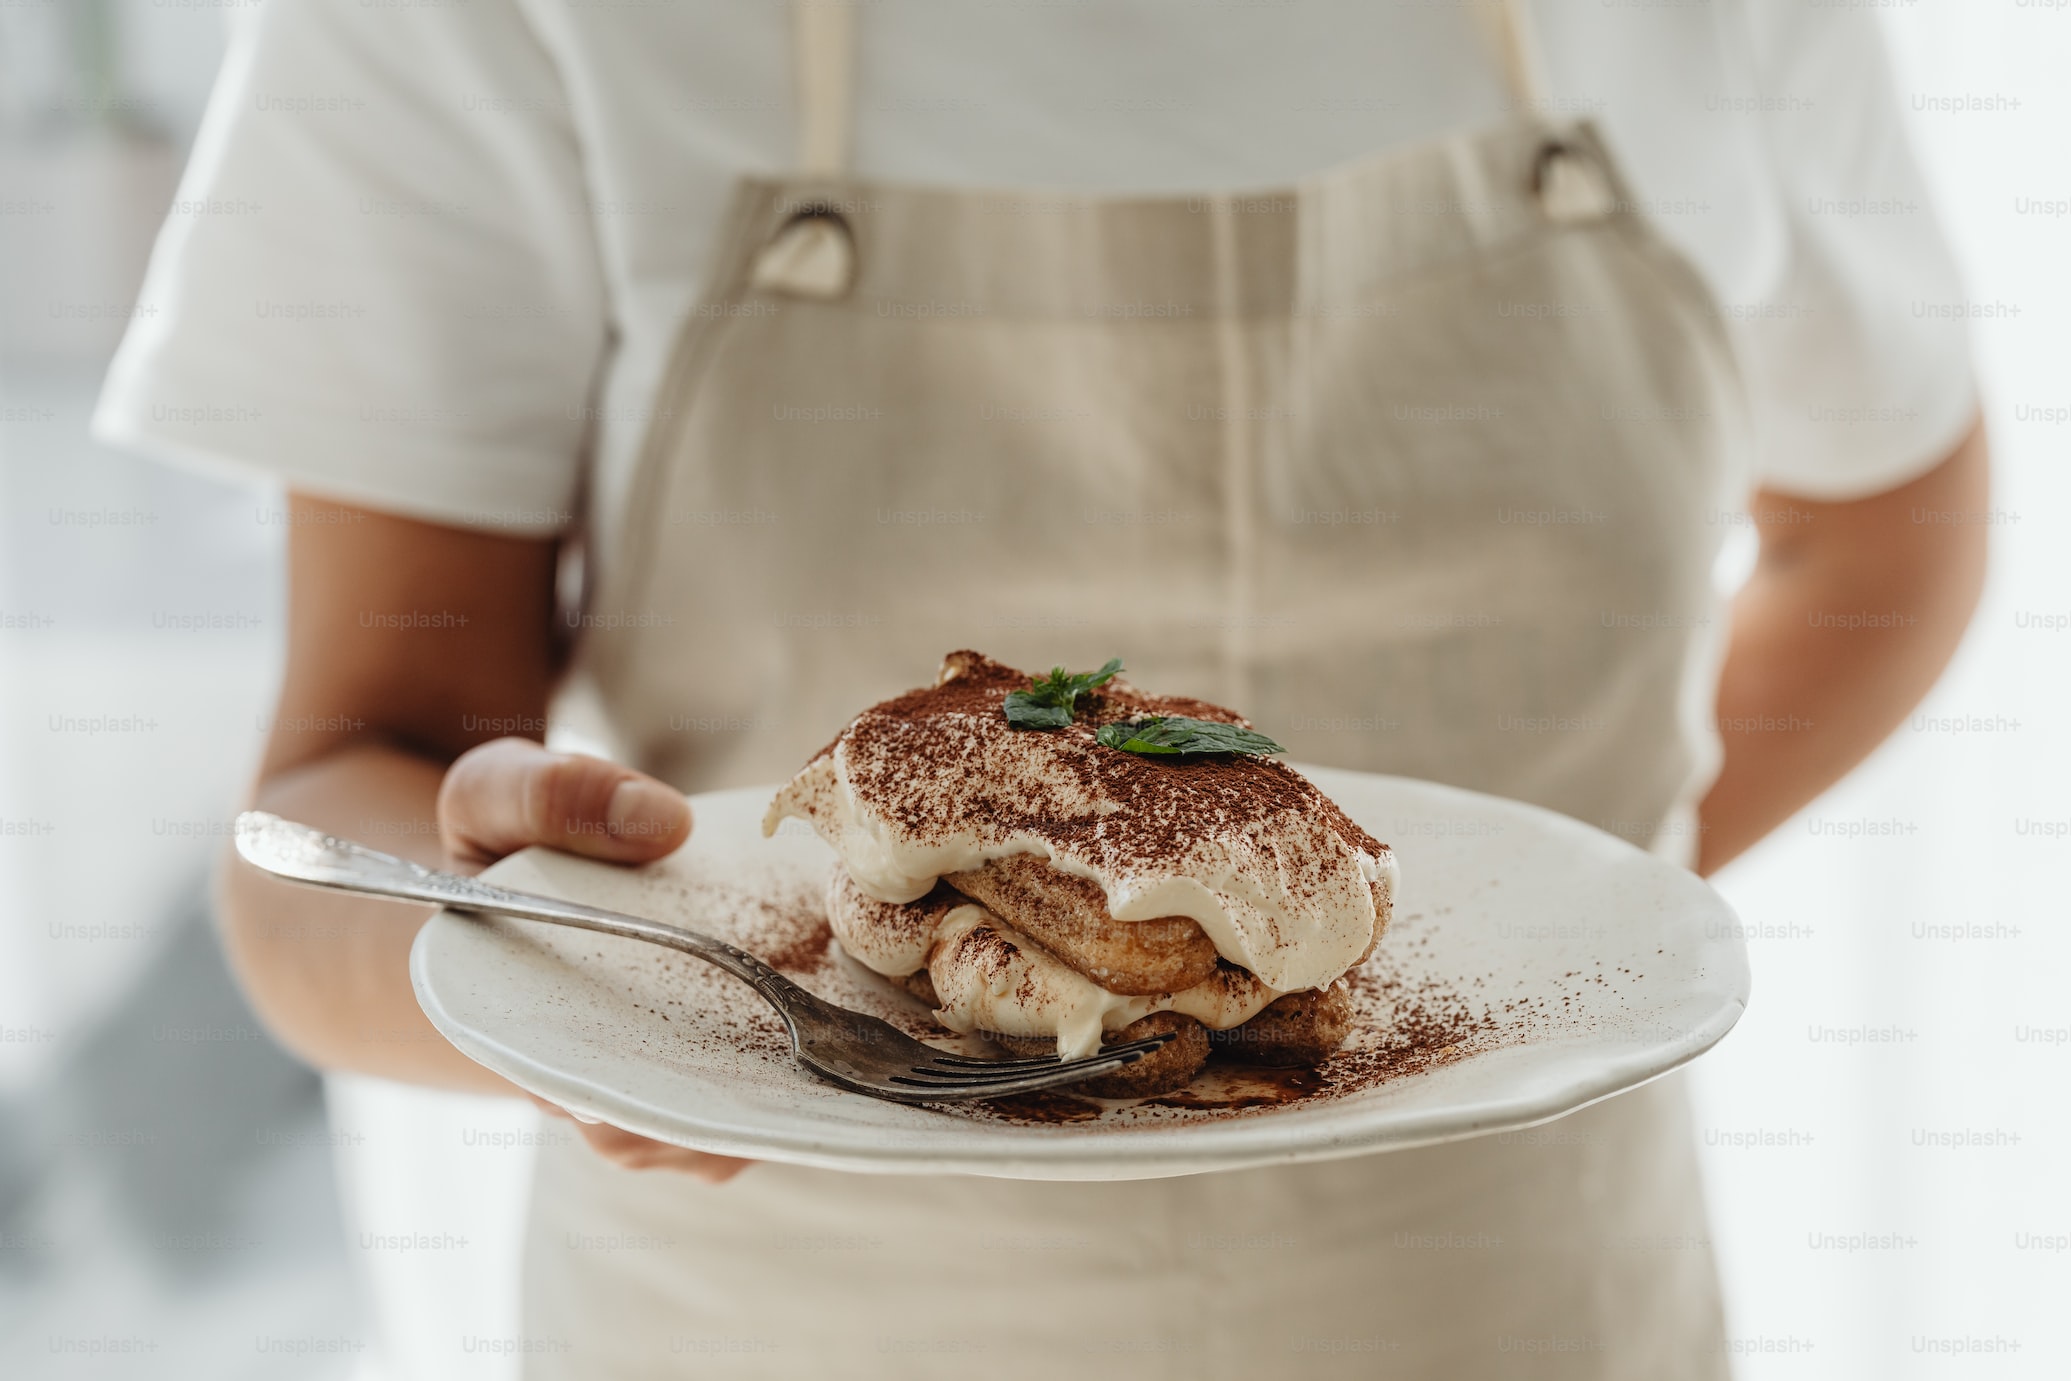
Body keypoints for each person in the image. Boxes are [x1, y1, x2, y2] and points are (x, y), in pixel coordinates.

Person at [97, 0, 1985, 1374]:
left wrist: (1564, 932)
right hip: (781, 1315)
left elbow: (1883, 553)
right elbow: (331, 800)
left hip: (1522, 1304)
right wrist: (562, 978)